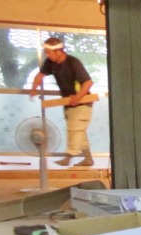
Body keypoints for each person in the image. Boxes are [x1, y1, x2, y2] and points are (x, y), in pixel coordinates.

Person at [30, 37, 94, 167]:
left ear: (58, 51)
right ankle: (88, 159)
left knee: (74, 130)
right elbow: (40, 75)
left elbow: (88, 82)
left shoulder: (73, 63)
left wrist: (78, 97)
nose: (47, 55)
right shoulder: (50, 63)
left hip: (83, 102)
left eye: (49, 52)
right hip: (68, 102)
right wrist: (34, 89)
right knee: (79, 132)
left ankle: (68, 157)